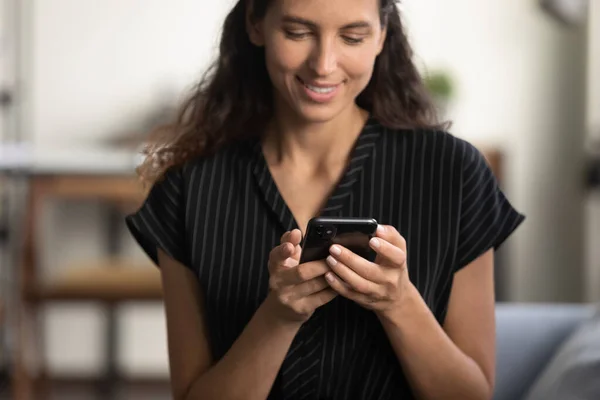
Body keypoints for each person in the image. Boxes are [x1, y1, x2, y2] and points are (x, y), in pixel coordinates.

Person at [126, 0, 525, 399]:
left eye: (352, 37)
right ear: (255, 24)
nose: (323, 64)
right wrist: (278, 317)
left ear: (382, 35)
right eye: (298, 33)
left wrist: (398, 302)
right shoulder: (189, 188)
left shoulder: (453, 173)